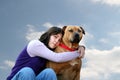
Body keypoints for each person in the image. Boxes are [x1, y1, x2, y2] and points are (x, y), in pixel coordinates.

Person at [7, 27, 85, 80]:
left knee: (49, 72)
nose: (56, 41)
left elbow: (65, 50)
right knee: (27, 71)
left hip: (34, 78)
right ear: (48, 35)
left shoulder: (50, 50)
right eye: (55, 37)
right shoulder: (35, 44)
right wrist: (78, 52)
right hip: (18, 78)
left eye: (59, 40)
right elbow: (57, 57)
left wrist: (81, 47)